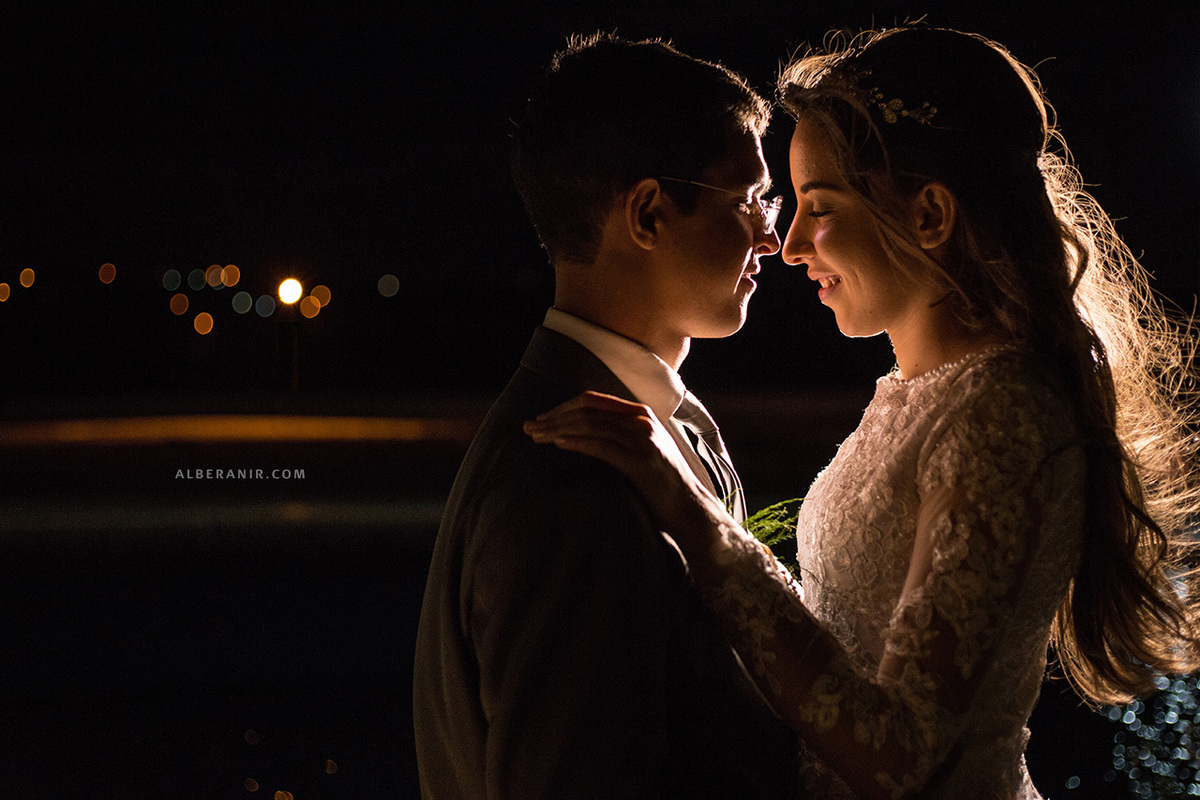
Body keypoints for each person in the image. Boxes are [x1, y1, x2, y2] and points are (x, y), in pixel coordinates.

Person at [525, 26, 1200, 800]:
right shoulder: (924, 394)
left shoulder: (1003, 414)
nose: (789, 245)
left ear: (929, 215)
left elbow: (897, 757)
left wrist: (696, 521)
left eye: (819, 207)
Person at [412, 34, 801, 798]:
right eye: (749, 200)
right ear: (649, 214)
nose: (771, 238)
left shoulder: (640, 423)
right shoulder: (567, 479)